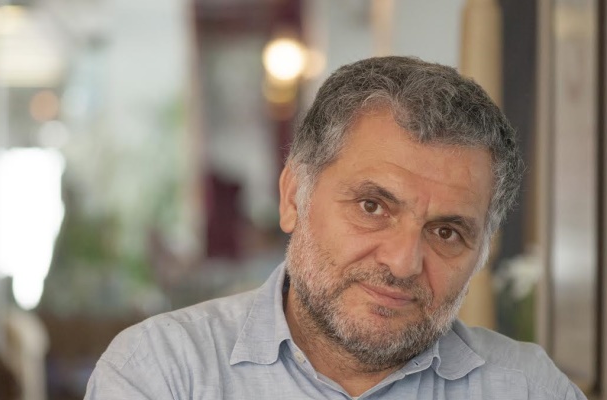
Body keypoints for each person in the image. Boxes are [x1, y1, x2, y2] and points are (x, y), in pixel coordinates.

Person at [84, 56, 587, 399]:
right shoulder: (164, 373)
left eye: (446, 232)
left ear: (482, 252)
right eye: (372, 206)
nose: (402, 263)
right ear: (293, 197)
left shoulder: (529, 388)